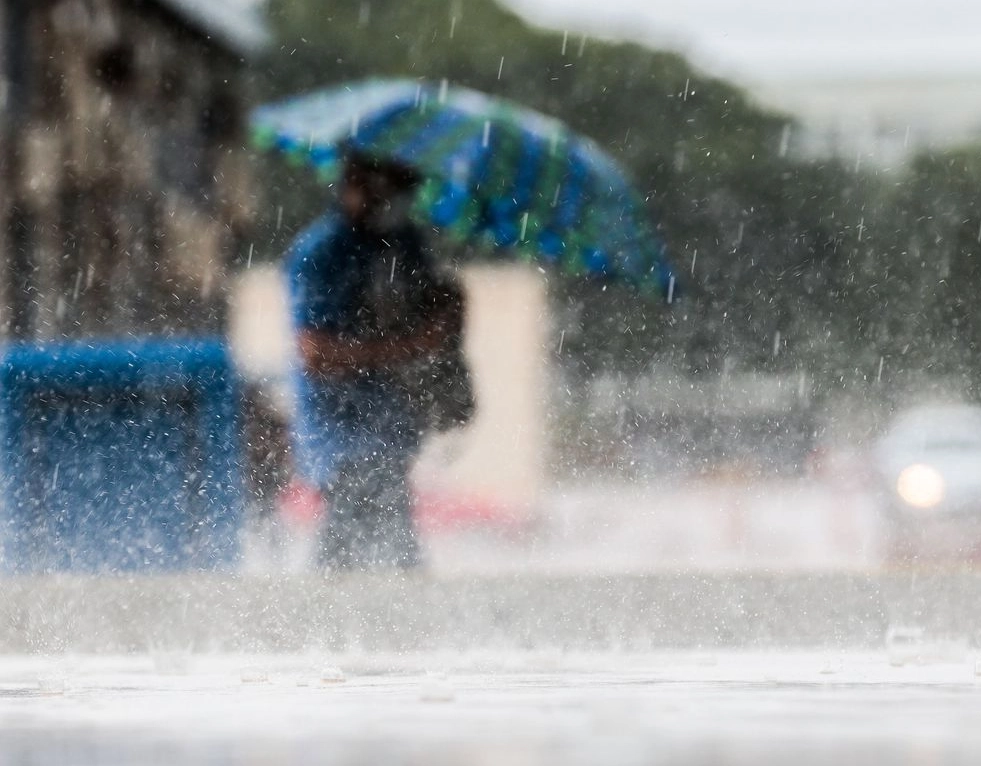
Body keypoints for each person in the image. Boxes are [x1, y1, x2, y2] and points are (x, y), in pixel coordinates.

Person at [284, 150, 466, 570]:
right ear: (356, 181)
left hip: (392, 421)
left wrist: (448, 308)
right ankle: (328, 626)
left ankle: (348, 622)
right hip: (341, 432)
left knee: (384, 544)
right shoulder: (321, 252)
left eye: (408, 187)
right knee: (371, 549)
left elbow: (424, 306)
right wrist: (411, 345)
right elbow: (314, 353)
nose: (398, 199)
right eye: (390, 186)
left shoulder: (404, 240)